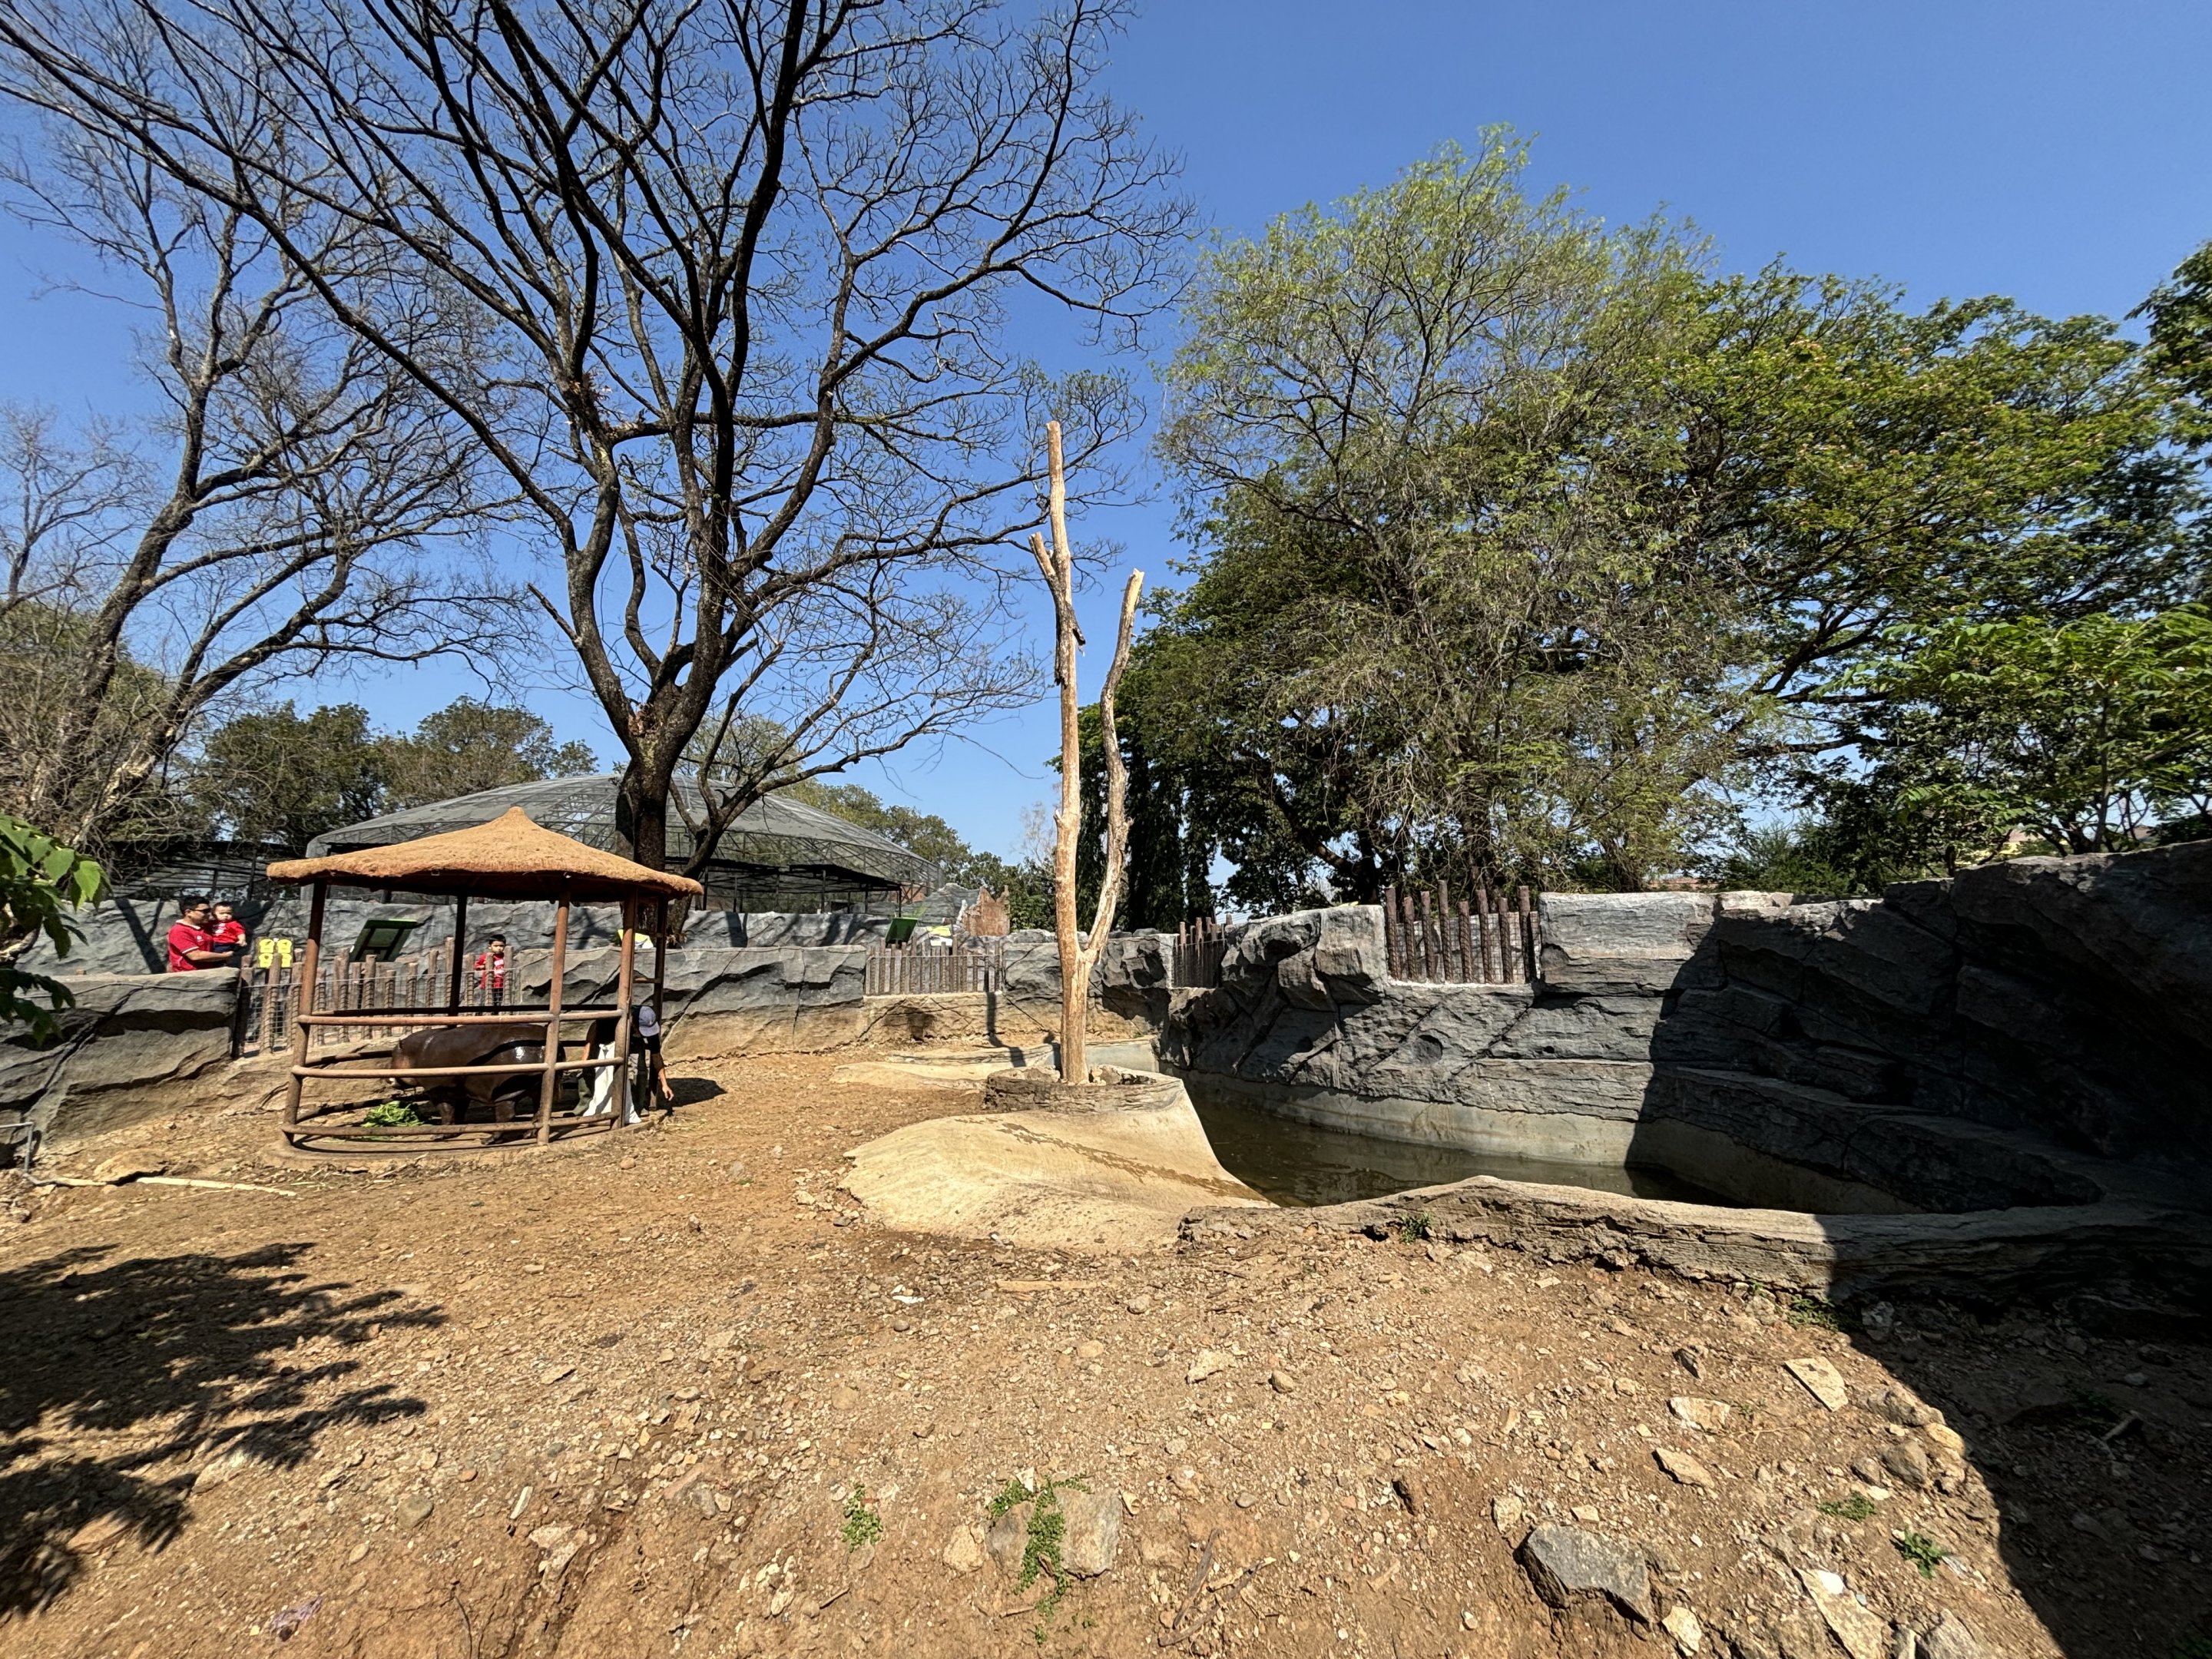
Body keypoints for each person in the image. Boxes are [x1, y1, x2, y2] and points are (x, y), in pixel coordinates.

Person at [165, 896, 230, 972]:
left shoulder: (207, 927)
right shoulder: (179, 931)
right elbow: (195, 956)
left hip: (207, 973)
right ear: (188, 912)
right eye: (205, 911)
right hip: (187, 976)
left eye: (210, 911)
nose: (209, 914)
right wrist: (225, 956)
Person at [634, 1001, 674, 1115]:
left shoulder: (652, 1033)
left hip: (636, 1044)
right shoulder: (623, 1022)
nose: (648, 1034)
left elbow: (656, 1056)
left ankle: (638, 1106)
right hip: (614, 1044)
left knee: (640, 1070)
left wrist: (664, 1085)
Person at [472, 934, 509, 1005]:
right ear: (490, 946)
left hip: (501, 984)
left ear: (505, 946)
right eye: (496, 946)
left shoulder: (506, 956)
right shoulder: (485, 956)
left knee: (498, 1003)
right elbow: (477, 966)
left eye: (501, 946)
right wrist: (484, 966)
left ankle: (496, 1015)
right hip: (488, 984)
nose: (499, 948)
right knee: (486, 1002)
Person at [209, 900, 250, 966]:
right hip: (213, 943)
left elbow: (240, 932)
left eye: (229, 913)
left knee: (217, 954)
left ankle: (220, 963)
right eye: (221, 913)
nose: (225, 915)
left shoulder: (234, 924)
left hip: (225, 944)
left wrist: (242, 940)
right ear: (214, 914)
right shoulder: (211, 923)